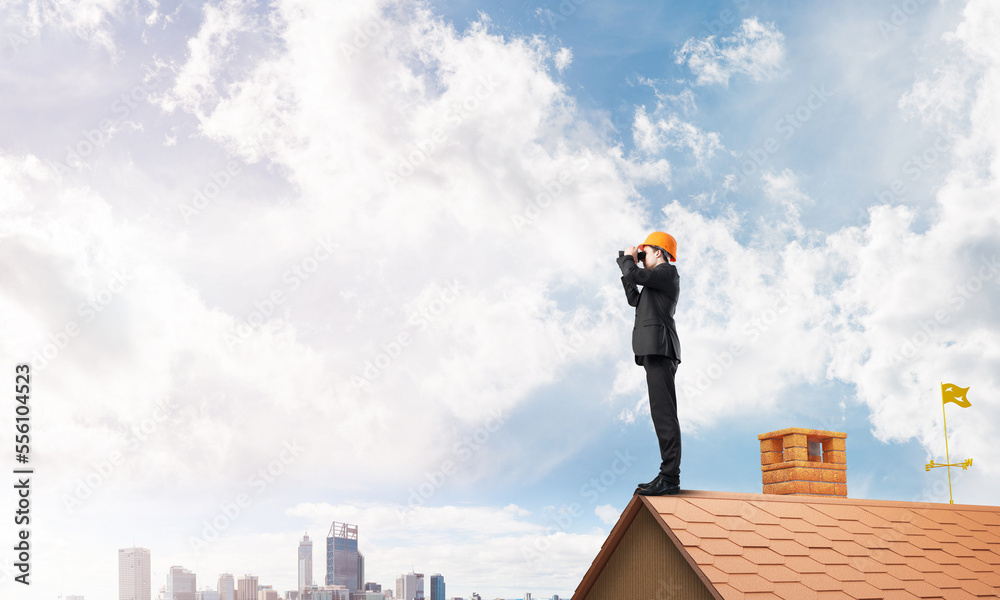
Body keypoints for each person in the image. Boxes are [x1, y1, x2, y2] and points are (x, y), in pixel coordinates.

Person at [616, 231, 682, 496]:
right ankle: (667, 476)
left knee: (665, 415)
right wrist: (626, 265)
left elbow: (637, 275)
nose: (642, 259)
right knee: (660, 415)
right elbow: (634, 297)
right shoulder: (653, 285)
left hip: (661, 349)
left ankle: (670, 478)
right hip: (654, 350)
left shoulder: (668, 272)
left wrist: (629, 260)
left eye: (645, 253)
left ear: (658, 252)